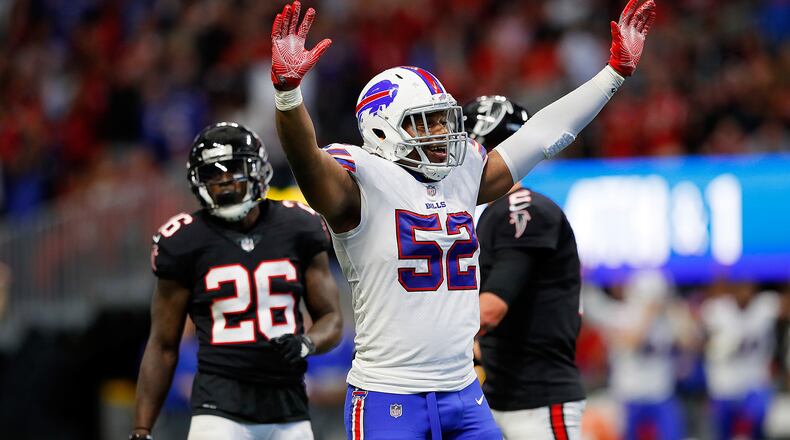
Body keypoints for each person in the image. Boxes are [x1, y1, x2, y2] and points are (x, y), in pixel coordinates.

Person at [269, 0, 655, 438]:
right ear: (380, 132)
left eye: (441, 119)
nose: (441, 133)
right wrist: (288, 95)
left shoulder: (462, 175)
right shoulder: (358, 183)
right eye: (424, 123)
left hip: (464, 392)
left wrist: (613, 74)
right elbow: (306, 160)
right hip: (388, 395)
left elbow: (544, 136)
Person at [130, 122, 342, 440]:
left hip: (288, 407)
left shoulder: (299, 225)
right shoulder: (183, 241)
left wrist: (307, 343)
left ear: (258, 170)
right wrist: (141, 429)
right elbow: (162, 345)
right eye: (213, 174)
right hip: (218, 408)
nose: (225, 181)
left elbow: (332, 318)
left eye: (233, 169)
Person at [465, 95, 586, 440]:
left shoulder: (520, 208)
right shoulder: (492, 213)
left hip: (537, 403)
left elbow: (490, 309)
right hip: (502, 396)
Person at [584, 271, 695, 440]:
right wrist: (647, 314)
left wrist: (676, 310)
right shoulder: (622, 314)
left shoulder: (667, 318)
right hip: (629, 394)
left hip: (661, 393)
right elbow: (630, 342)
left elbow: (689, 342)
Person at [700, 280, 781, 440]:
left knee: (756, 427)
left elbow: (783, 306)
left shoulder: (764, 306)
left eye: (748, 287)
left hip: (754, 383)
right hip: (724, 385)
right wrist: (716, 345)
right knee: (721, 432)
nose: (744, 292)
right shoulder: (718, 309)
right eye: (740, 287)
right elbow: (701, 343)